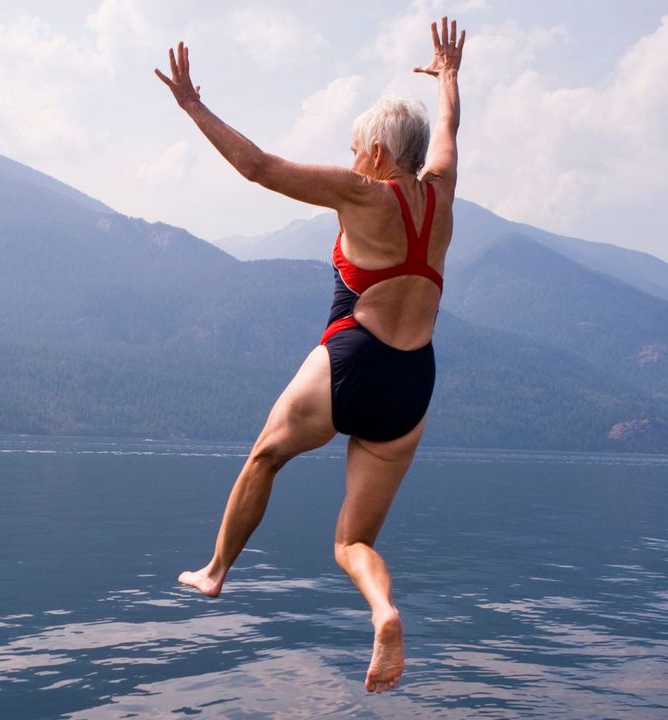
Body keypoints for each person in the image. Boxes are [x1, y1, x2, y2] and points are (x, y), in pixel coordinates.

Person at [155, 17, 465, 693]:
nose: (351, 159)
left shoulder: (362, 194)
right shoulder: (442, 190)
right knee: (352, 543)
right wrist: (448, 79)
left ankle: (214, 573)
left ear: (379, 154)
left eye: (356, 149)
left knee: (267, 455)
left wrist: (193, 106)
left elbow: (257, 167)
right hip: (413, 385)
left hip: (352, 359)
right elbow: (449, 131)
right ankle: (383, 611)